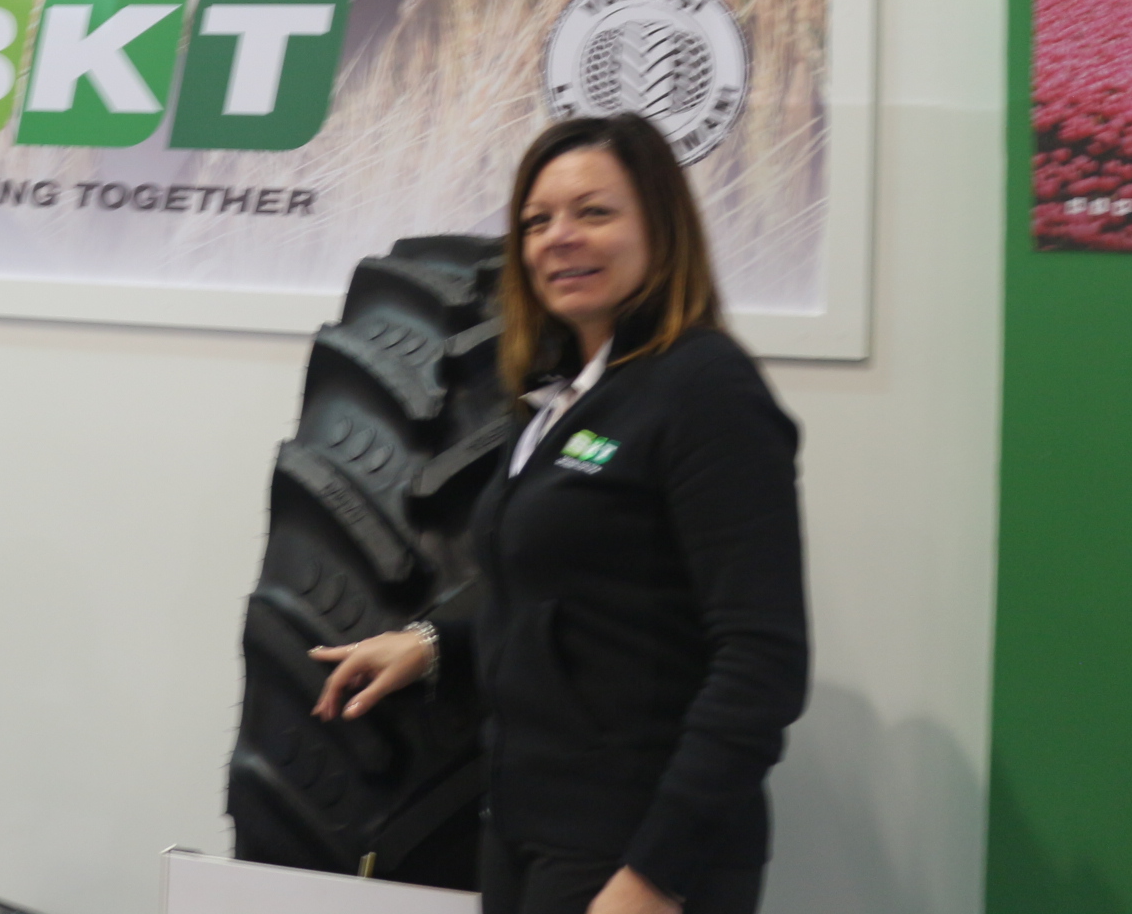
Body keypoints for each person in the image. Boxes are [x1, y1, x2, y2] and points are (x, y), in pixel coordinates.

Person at [307, 114, 808, 914]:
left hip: (632, 851)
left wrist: (656, 875)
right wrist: (434, 645)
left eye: (594, 213)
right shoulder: (559, 397)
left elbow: (762, 662)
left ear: (661, 228)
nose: (559, 238)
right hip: (529, 831)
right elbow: (567, 602)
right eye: (537, 221)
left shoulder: (706, 390)